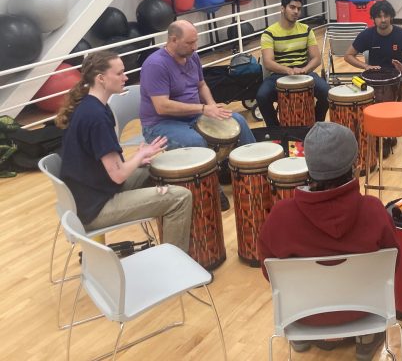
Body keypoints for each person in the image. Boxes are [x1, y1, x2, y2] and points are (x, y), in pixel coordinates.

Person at [257, 122, 398, 360]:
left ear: (308, 164)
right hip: (364, 310)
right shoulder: (373, 210)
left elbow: (268, 271)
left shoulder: (281, 215)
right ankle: (366, 337)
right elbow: (393, 267)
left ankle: (304, 335)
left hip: (304, 312)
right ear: (354, 164)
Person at [56, 51, 192, 251]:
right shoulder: (96, 117)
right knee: (181, 198)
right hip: (95, 209)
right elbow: (118, 175)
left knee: (154, 168)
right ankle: (174, 263)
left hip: (92, 193)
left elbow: (105, 164)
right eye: (119, 73)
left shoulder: (90, 106)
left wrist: (140, 158)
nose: (126, 77)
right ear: (101, 78)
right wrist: (138, 156)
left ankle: (165, 240)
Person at [139, 20, 256, 209]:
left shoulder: (191, 56)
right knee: (196, 142)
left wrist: (212, 107)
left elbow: (201, 85)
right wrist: (203, 109)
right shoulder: (155, 65)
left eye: (196, 42)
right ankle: (212, 188)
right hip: (161, 123)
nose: (195, 47)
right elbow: (162, 106)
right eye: (189, 43)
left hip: (193, 114)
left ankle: (254, 171)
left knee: (239, 121)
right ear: (173, 40)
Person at [255, 0, 329, 127]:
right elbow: (268, 62)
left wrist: (305, 69)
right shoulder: (269, 33)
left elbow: (316, 58)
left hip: (304, 72)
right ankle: (275, 130)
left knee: (327, 93)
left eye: (299, 9)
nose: (296, 11)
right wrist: (288, 70)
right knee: (262, 96)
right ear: (282, 8)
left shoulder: (306, 30)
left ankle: (317, 126)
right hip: (278, 75)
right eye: (292, 7)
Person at [344, 0, 402, 103]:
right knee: (354, 92)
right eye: (379, 16)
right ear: (373, 18)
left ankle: (399, 118)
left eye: (386, 16)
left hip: (400, 74)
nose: (383, 20)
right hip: (374, 76)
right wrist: (366, 66)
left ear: (391, 17)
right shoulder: (366, 35)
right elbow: (348, 55)